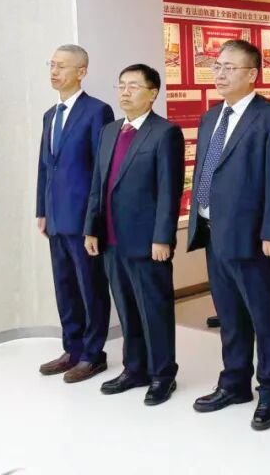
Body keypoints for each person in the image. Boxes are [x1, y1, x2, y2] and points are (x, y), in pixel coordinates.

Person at [188, 40, 270, 430]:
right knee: (230, 316)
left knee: (266, 318)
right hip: (214, 232)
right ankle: (234, 383)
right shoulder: (210, 117)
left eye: (229, 68)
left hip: (253, 237)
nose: (220, 73)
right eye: (217, 66)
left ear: (252, 74)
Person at [85, 64, 184, 406]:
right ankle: (135, 368)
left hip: (147, 242)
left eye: (133, 86)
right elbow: (98, 185)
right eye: (121, 85)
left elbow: (169, 191)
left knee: (154, 311)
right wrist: (91, 228)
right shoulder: (110, 131)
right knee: (127, 309)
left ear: (152, 93)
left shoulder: (165, 133)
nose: (125, 92)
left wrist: (163, 237)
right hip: (111, 240)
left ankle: (162, 375)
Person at [36, 44, 114, 383]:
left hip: (83, 219)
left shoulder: (97, 111)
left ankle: (93, 354)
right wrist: (41, 209)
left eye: (62, 66)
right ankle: (72, 348)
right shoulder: (50, 115)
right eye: (52, 65)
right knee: (65, 287)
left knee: (90, 288)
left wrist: (94, 220)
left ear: (81, 71)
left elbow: (101, 170)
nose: (54, 72)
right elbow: (44, 166)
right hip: (55, 218)